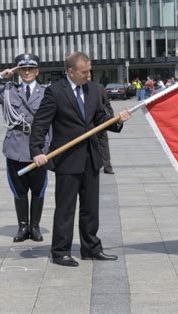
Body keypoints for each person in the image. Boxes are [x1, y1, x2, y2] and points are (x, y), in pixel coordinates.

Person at [30, 52, 131, 267]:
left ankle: (91, 248)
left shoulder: (94, 90)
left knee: (90, 207)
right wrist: (37, 150)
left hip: (90, 157)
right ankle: (60, 251)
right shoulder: (55, 92)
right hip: (67, 159)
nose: (89, 75)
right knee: (66, 208)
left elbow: (99, 118)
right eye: (84, 72)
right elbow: (41, 123)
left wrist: (117, 121)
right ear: (70, 72)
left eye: (90, 71)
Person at [0, 53, 49, 243]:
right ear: (18, 71)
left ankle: (35, 228)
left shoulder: (46, 92)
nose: (27, 72)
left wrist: (47, 148)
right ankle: (23, 227)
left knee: (38, 189)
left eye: (30, 68)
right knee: (19, 190)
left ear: (37, 71)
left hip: (39, 149)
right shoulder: (9, 91)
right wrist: (2, 76)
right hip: (15, 147)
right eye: (23, 69)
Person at [97, 84, 114, 174]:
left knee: (103, 144)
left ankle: (107, 166)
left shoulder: (99, 88)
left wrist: (111, 117)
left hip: (100, 121)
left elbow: (107, 104)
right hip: (84, 123)